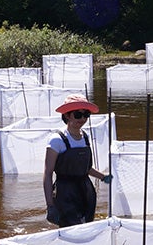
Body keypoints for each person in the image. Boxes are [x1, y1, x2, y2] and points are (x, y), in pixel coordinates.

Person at [43, 94, 111, 227]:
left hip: (86, 191)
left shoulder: (85, 137)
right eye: (78, 115)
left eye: (86, 114)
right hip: (65, 193)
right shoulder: (56, 140)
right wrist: (50, 205)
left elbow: (85, 168)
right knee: (71, 230)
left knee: (87, 228)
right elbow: (48, 173)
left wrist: (103, 177)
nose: (83, 119)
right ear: (67, 115)